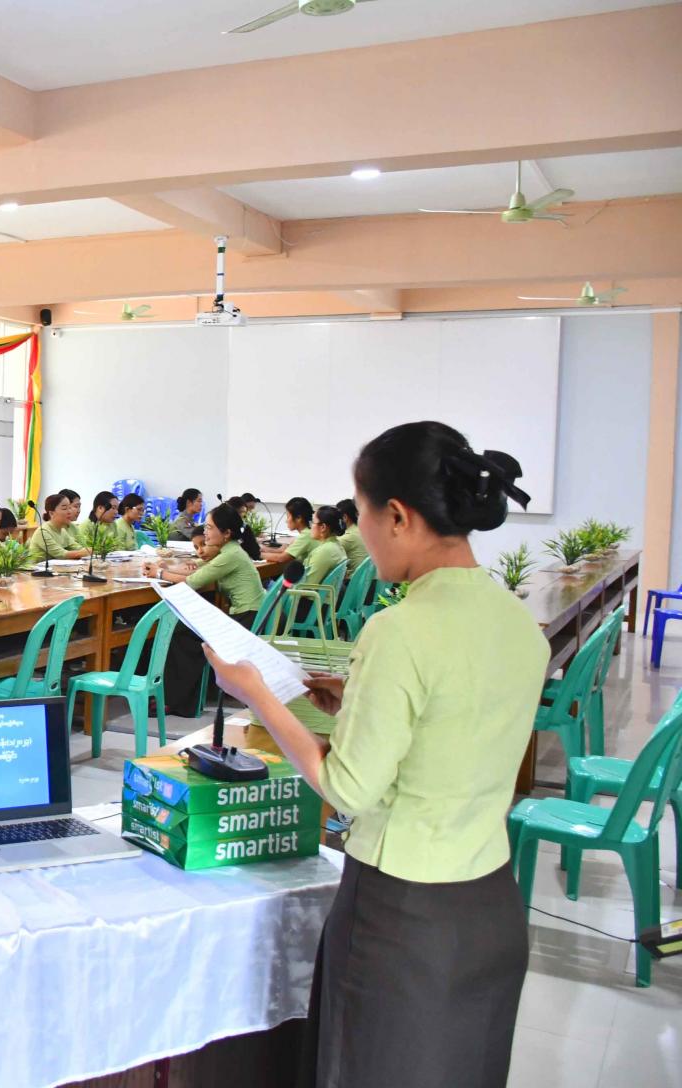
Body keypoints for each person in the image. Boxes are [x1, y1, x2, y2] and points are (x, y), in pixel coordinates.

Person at [203, 421, 545, 1088]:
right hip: (490, 903)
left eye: (361, 512)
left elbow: (347, 788)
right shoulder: (513, 619)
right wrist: (355, 701)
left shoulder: (401, 630)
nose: (359, 529)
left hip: (405, 916)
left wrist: (256, 694)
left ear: (397, 516)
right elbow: (454, 726)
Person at [145, 503, 266, 717]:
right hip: (250, 614)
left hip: (248, 618)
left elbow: (192, 582)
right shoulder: (229, 551)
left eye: (210, 528)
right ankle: (177, 697)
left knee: (183, 635)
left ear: (226, 533)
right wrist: (166, 568)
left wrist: (159, 574)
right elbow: (197, 571)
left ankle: (175, 701)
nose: (206, 532)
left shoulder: (231, 555)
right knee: (185, 630)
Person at [29, 494, 88, 562]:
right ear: (51, 513)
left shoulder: (62, 531)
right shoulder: (43, 531)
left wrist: (90, 551)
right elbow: (61, 554)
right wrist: (85, 552)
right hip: (36, 568)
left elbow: (77, 547)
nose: (69, 512)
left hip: (55, 568)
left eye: (70, 508)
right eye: (64, 508)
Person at [301, 504, 349, 588]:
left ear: (323, 527)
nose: (310, 526)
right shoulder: (337, 545)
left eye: (313, 522)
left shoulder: (324, 552)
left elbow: (306, 587)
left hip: (311, 596)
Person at [260, 496, 316, 563]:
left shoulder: (306, 536)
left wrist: (258, 554)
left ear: (298, 518)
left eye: (288, 516)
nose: (286, 521)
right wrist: (265, 549)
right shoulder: (308, 532)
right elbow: (283, 551)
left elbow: (282, 558)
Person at [336, 496, 368, 575]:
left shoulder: (350, 536)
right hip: (368, 579)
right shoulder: (364, 531)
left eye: (336, 517)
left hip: (355, 581)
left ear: (345, 517)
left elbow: (328, 549)